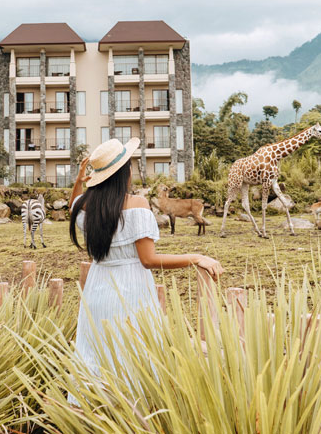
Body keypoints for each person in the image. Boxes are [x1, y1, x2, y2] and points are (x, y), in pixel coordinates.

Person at [69, 137, 223, 379]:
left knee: (96, 354)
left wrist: (80, 180)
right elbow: (148, 260)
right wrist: (195, 257)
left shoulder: (85, 207)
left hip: (97, 290)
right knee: (132, 357)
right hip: (130, 290)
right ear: (124, 173)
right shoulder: (137, 205)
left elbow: (73, 203)